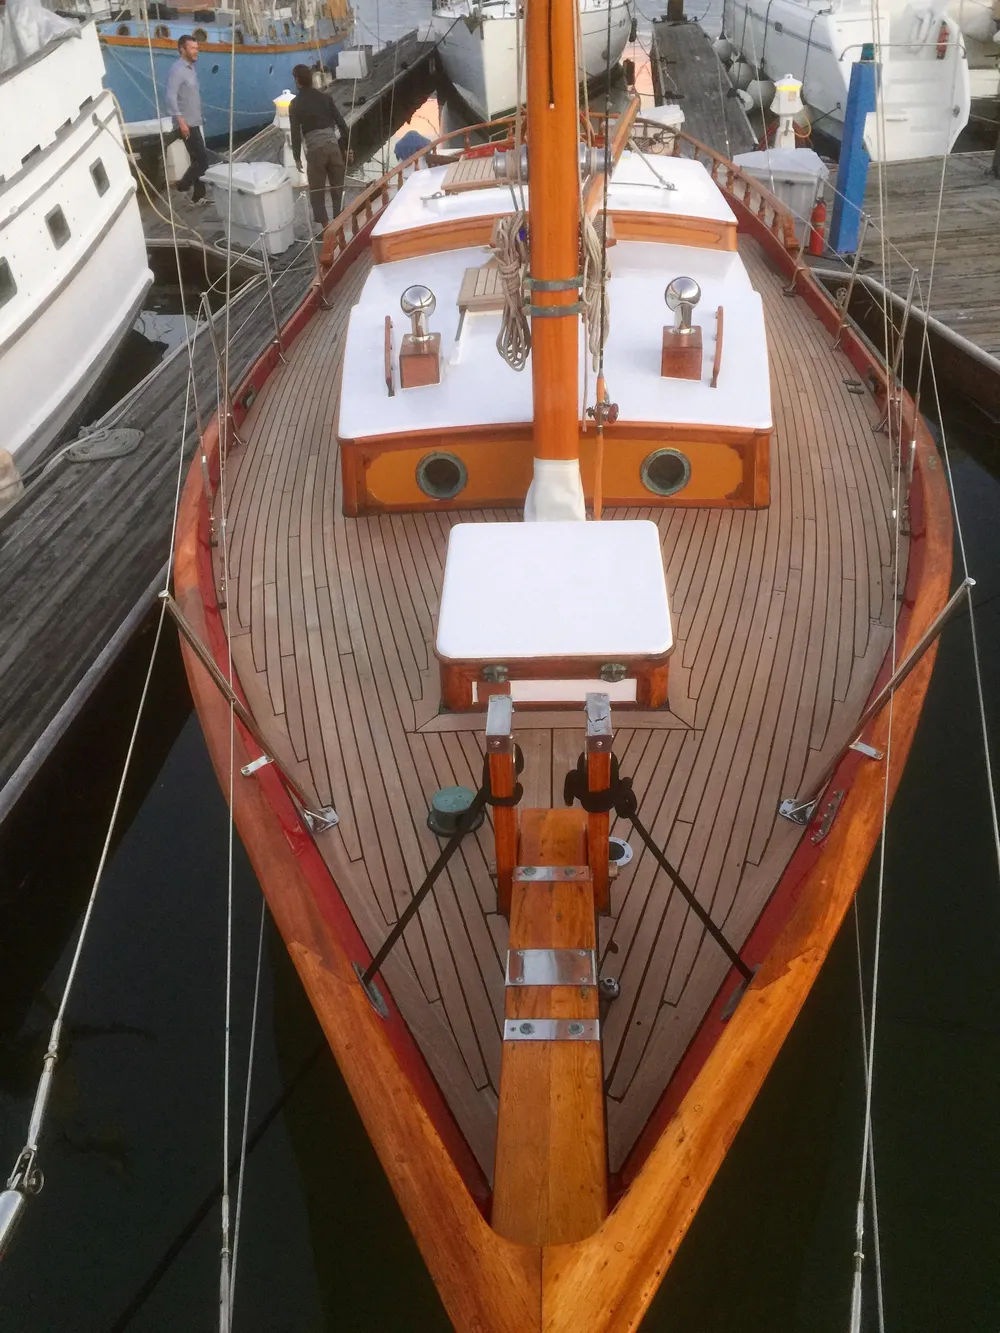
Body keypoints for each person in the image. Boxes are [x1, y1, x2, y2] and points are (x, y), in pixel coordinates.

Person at [289, 64, 352, 228]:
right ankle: (338, 226)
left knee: (317, 192)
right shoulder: (325, 97)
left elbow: (295, 133)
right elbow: (341, 124)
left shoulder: (295, 104)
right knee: (337, 188)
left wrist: (296, 157)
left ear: (297, 80)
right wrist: (347, 147)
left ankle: (326, 230)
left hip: (316, 151)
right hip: (333, 147)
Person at [166, 34, 209, 204]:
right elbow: (170, 97)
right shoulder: (177, 70)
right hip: (187, 124)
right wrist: (182, 122)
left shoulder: (190, 68)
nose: (196, 51)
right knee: (202, 161)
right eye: (192, 48)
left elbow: (190, 96)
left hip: (194, 120)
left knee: (195, 159)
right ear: (182, 49)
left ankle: (199, 196)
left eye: (196, 48)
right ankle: (182, 185)